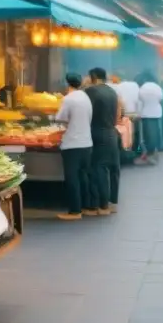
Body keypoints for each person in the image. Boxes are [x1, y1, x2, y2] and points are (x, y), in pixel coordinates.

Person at [55, 73, 94, 221]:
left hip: (72, 144)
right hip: (86, 142)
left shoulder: (68, 99)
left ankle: (75, 211)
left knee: (72, 178)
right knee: (83, 177)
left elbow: (61, 118)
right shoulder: (85, 97)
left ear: (67, 84)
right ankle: (86, 206)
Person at [85, 68, 120, 213]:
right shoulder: (112, 91)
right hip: (111, 132)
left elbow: (86, 112)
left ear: (93, 77)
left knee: (99, 168)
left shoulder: (92, 91)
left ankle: (102, 205)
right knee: (113, 169)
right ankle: (112, 202)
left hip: (98, 132)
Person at [136, 72, 163, 165]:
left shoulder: (142, 88)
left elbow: (140, 102)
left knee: (147, 136)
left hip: (146, 114)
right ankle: (155, 153)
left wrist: (139, 113)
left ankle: (149, 155)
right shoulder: (158, 87)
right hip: (157, 114)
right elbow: (161, 98)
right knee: (156, 134)